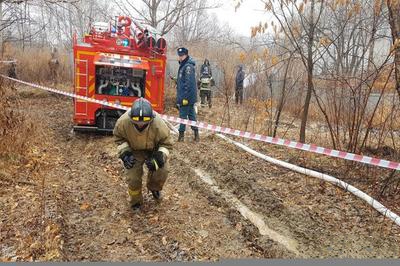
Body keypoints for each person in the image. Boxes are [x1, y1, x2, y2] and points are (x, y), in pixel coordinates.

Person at [113, 98, 173, 210]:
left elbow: (167, 144)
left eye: (144, 121)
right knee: (133, 178)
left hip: (153, 149)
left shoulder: (159, 124)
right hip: (134, 150)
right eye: (137, 121)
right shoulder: (123, 122)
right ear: (131, 118)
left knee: (162, 170)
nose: (140, 124)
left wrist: (159, 157)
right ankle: (135, 201)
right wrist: (125, 153)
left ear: (151, 119)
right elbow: (119, 138)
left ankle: (154, 188)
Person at [176, 47, 199, 142]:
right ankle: (196, 135)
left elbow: (189, 84)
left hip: (186, 97)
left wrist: (185, 98)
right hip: (188, 96)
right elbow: (184, 81)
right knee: (192, 116)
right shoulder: (184, 65)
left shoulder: (188, 67)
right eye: (179, 55)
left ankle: (181, 137)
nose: (180, 57)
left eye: (182, 55)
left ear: (186, 55)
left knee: (182, 116)